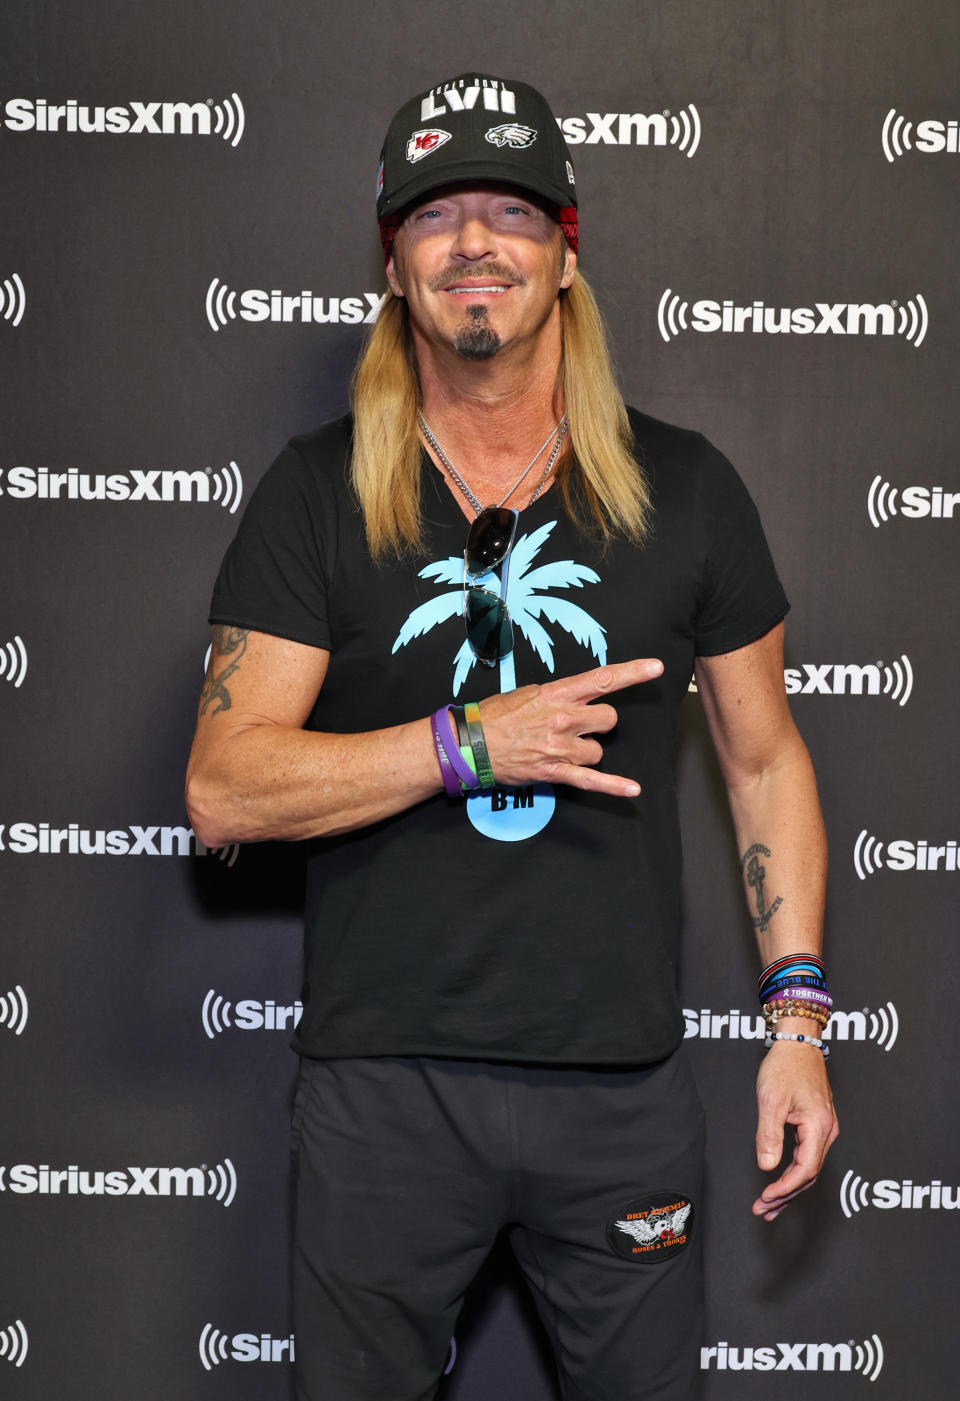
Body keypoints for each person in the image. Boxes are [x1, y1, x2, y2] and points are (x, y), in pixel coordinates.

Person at [186, 71, 838, 1401]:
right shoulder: (320, 492)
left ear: (565, 251)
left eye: (509, 211)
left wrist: (800, 1014)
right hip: (385, 1095)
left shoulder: (687, 488)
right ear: (392, 260)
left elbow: (764, 759)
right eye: (436, 216)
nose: (474, 243)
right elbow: (224, 785)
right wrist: (460, 742)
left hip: (619, 1095)